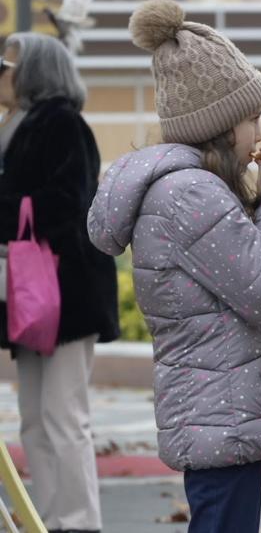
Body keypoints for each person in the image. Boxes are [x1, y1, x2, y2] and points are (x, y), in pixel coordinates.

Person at [87, 0, 261, 533]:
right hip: (221, 407)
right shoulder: (190, 193)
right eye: (252, 118)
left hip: (224, 401)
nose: (260, 134)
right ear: (219, 123)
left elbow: (242, 297)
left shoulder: (190, 189)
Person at [0, 32, 118, 533]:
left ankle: (78, 521)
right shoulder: (17, 124)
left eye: (7, 67)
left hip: (64, 291)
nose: (1, 76)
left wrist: (10, 212)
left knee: (64, 414)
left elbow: (69, 200)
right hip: (33, 291)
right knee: (33, 416)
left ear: (33, 73)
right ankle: (47, 518)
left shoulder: (62, 122)